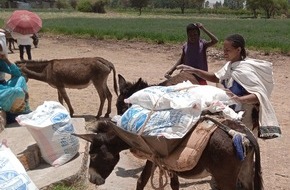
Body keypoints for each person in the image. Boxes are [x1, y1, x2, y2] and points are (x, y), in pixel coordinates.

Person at [177, 33, 281, 139]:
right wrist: (194, 70)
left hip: (245, 116)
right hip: (229, 112)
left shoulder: (245, 71)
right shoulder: (230, 65)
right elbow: (216, 77)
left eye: (228, 50)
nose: (224, 53)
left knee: (242, 146)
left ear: (238, 50)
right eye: (224, 50)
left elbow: (258, 95)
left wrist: (240, 99)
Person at [0, 32, 31, 124]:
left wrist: (6, 60)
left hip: (4, 87)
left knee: (20, 79)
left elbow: (17, 73)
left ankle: (24, 109)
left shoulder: (1, 62)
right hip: (2, 91)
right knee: (17, 91)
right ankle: (21, 111)